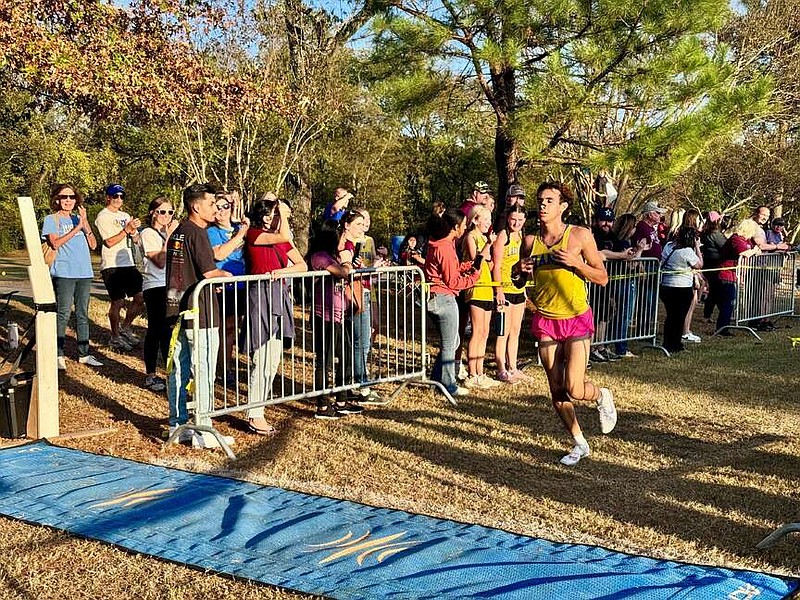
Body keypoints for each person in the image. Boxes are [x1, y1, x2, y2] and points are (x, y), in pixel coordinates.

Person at [514, 182, 616, 467]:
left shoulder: (579, 235)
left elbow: (602, 277)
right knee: (557, 391)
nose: (543, 204)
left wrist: (576, 263)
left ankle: (601, 395)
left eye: (549, 200)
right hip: (546, 320)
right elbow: (518, 280)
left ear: (563, 207)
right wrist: (519, 272)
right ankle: (579, 443)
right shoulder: (529, 241)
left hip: (575, 318)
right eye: (540, 200)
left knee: (575, 386)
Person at [165, 183, 234, 448]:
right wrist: (227, 275)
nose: (215, 209)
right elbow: (210, 272)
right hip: (200, 313)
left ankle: (178, 424)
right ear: (196, 206)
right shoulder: (197, 233)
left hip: (178, 309)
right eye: (211, 204)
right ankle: (203, 429)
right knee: (202, 368)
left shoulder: (179, 231)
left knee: (180, 368)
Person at [244, 198, 307, 435]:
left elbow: (301, 266)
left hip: (279, 295)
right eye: (276, 214)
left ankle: (258, 407)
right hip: (260, 297)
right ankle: (254, 412)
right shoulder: (254, 234)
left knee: (273, 358)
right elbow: (283, 236)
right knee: (261, 355)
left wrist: (280, 272)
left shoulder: (282, 241)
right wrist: (282, 212)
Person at [42, 183, 102, 370]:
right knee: (63, 313)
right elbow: (55, 242)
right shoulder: (51, 219)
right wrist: (77, 228)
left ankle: (84, 354)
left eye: (72, 197)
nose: (68, 200)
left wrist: (85, 225)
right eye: (64, 197)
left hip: (84, 272)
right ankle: (58, 354)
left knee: (82, 314)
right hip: (64, 272)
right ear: (57, 200)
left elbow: (93, 245)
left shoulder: (79, 218)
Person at [308, 223, 365, 419]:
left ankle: (342, 399)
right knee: (325, 360)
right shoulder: (319, 257)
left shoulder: (332, 257)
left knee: (346, 355)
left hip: (339, 314)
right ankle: (322, 405)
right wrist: (347, 265)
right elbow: (342, 273)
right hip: (323, 315)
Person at [424, 209, 481, 397]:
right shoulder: (445, 247)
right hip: (444, 298)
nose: (466, 227)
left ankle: (436, 380)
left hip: (437, 297)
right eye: (464, 224)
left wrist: (468, 265)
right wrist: (474, 277)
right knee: (450, 344)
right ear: (455, 227)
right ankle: (448, 385)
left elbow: (450, 269)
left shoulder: (439, 244)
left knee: (453, 341)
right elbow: (453, 281)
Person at [94, 183, 144, 351]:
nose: (119, 199)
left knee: (140, 297)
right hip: (112, 264)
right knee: (118, 302)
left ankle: (126, 327)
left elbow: (135, 239)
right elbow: (108, 242)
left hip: (128, 262)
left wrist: (135, 230)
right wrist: (126, 229)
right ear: (108, 197)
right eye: (115, 196)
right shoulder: (103, 216)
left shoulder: (125, 215)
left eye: (122, 196)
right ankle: (114, 336)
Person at [207, 191, 250, 384]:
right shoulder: (211, 231)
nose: (222, 210)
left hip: (241, 285)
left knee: (232, 329)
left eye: (226, 206)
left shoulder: (238, 227)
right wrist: (239, 235)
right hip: (222, 286)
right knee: (221, 329)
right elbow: (219, 254)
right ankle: (220, 369)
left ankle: (226, 367)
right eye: (218, 206)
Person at [139, 197, 179, 391]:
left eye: (170, 212)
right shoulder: (148, 233)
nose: (166, 216)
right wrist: (169, 237)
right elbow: (160, 261)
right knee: (156, 330)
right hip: (155, 285)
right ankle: (151, 374)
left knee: (169, 331)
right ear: (153, 212)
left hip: (171, 285)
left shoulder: (168, 233)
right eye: (162, 212)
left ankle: (170, 373)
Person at [461, 205, 499, 389]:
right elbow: (476, 260)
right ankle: (472, 373)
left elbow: (489, 266)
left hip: (487, 288)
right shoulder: (471, 237)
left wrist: (490, 251)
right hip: (475, 288)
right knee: (476, 331)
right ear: (475, 220)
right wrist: (488, 245)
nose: (489, 224)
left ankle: (480, 371)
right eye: (486, 220)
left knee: (485, 332)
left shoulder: (484, 239)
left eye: (490, 220)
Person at [491, 203, 527, 383]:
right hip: (504, 289)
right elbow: (496, 266)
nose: (516, 223)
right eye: (513, 219)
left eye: (520, 220)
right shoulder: (502, 236)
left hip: (519, 288)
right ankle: (501, 368)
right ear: (508, 218)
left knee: (515, 330)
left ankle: (513, 366)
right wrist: (498, 290)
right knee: (503, 331)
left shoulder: (522, 236)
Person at [659, 226, 703, 354]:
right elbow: (699, 264)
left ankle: (667, 342)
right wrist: (698, 247)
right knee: (679, 317)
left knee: (671, 316)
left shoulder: (668, 246)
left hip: (666, 285)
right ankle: (675, 344)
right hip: (681, 287)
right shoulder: (687, 251)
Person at [610, 212, 648, 358]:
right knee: (624, 315)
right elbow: (631, 265)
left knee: (617, 314)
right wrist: (640, 250)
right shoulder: (623, 244)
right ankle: (621, 347)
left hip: (618, 282)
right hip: (623, 282)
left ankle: (614, 344)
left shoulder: (616, 241)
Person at [716, 219, 762, 334]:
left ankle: (724, 326)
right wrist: (754, 251)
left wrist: (755, 250)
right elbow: (743, 253)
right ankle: (722, 328)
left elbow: (753, 250)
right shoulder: (735, 239)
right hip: (725, 274)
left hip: (733, 275)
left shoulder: (746, 240)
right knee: (728, 302)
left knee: (731, 302)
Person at [631, 201, 667, 334]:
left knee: (651, 301)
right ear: (650, 214)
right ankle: (642, 330)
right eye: (658, 213)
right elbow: (638, 247)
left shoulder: (652, 229)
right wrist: (641, 268)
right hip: (647, 268)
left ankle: (648, 329)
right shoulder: (642, 227)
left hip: (654, 267)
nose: (660, 215)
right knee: (645, 301)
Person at [700, 211, 726, 323]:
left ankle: (708, 314)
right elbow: (724, 246)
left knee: (713, 291)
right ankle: (719, 313)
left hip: (708, 263)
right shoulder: (716, 234)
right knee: (716, 291)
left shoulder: (705, 232)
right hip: (715, 265)